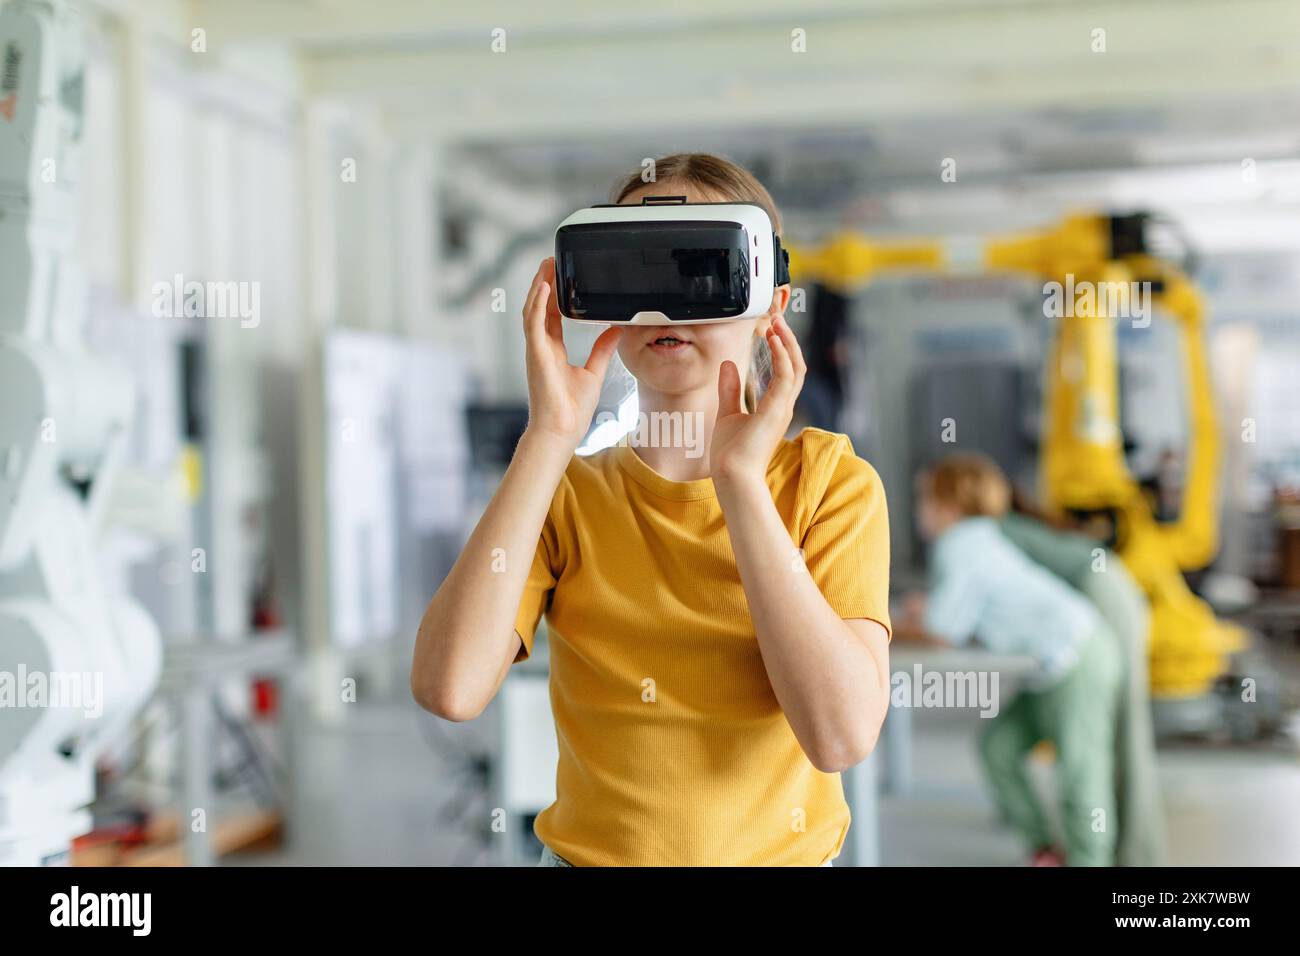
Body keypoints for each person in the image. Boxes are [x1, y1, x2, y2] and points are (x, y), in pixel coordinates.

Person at [411, 153, 893, 866]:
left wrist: (740, 484)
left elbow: (840, 736)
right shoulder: (564, 493)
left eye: (698, 267)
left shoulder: (829, 483)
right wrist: (547, 438)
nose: (665, 305)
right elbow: (449, 687)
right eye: (639, 269)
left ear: (772, 305)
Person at [902, 454, 1122, 866]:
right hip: (1058, 662)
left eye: (924, 499)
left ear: (947, 506)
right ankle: (1047, 852)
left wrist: (882, 625)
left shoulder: (959, 543)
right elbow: (959, 614)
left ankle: (1091, 861)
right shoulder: (978, 536)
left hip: (1076, 657)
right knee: (998, 748)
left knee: (1079, 773)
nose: (920, 509)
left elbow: (943, 630)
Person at [999, 505, 1167, 867]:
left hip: (1104, 592)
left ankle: (1137, 855)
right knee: (1109, 734)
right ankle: (1108, 848)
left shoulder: (984, 532)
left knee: (1124, 729)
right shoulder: (1006, 528)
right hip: (1105, 588)